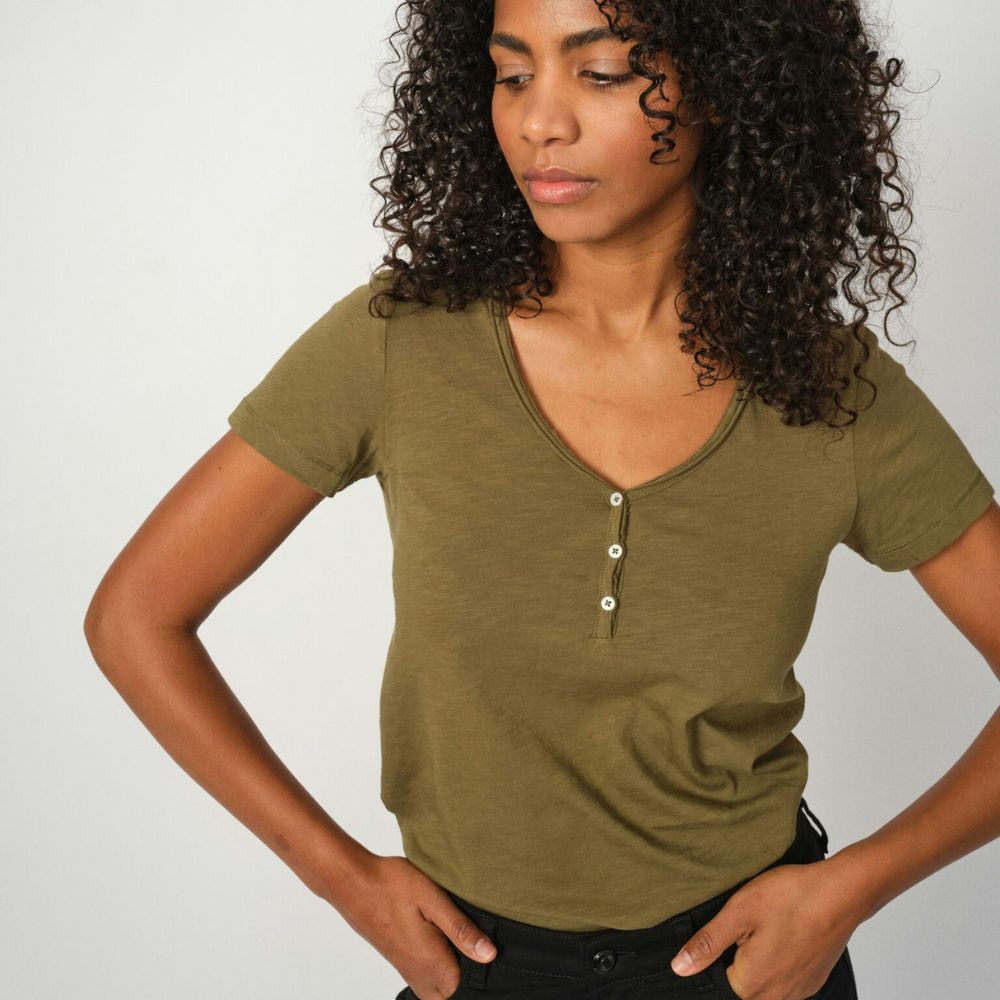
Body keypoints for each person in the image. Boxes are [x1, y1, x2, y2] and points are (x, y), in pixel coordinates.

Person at [84, 1, 1000, 998]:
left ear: (730, 88)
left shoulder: (830, 390)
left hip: (750, 963)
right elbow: (136, 616)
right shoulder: (400, 342)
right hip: (473, 963)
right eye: (511, 73)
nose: (538, 121)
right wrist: (342, 880)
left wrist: (853, 887)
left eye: (601, 74)